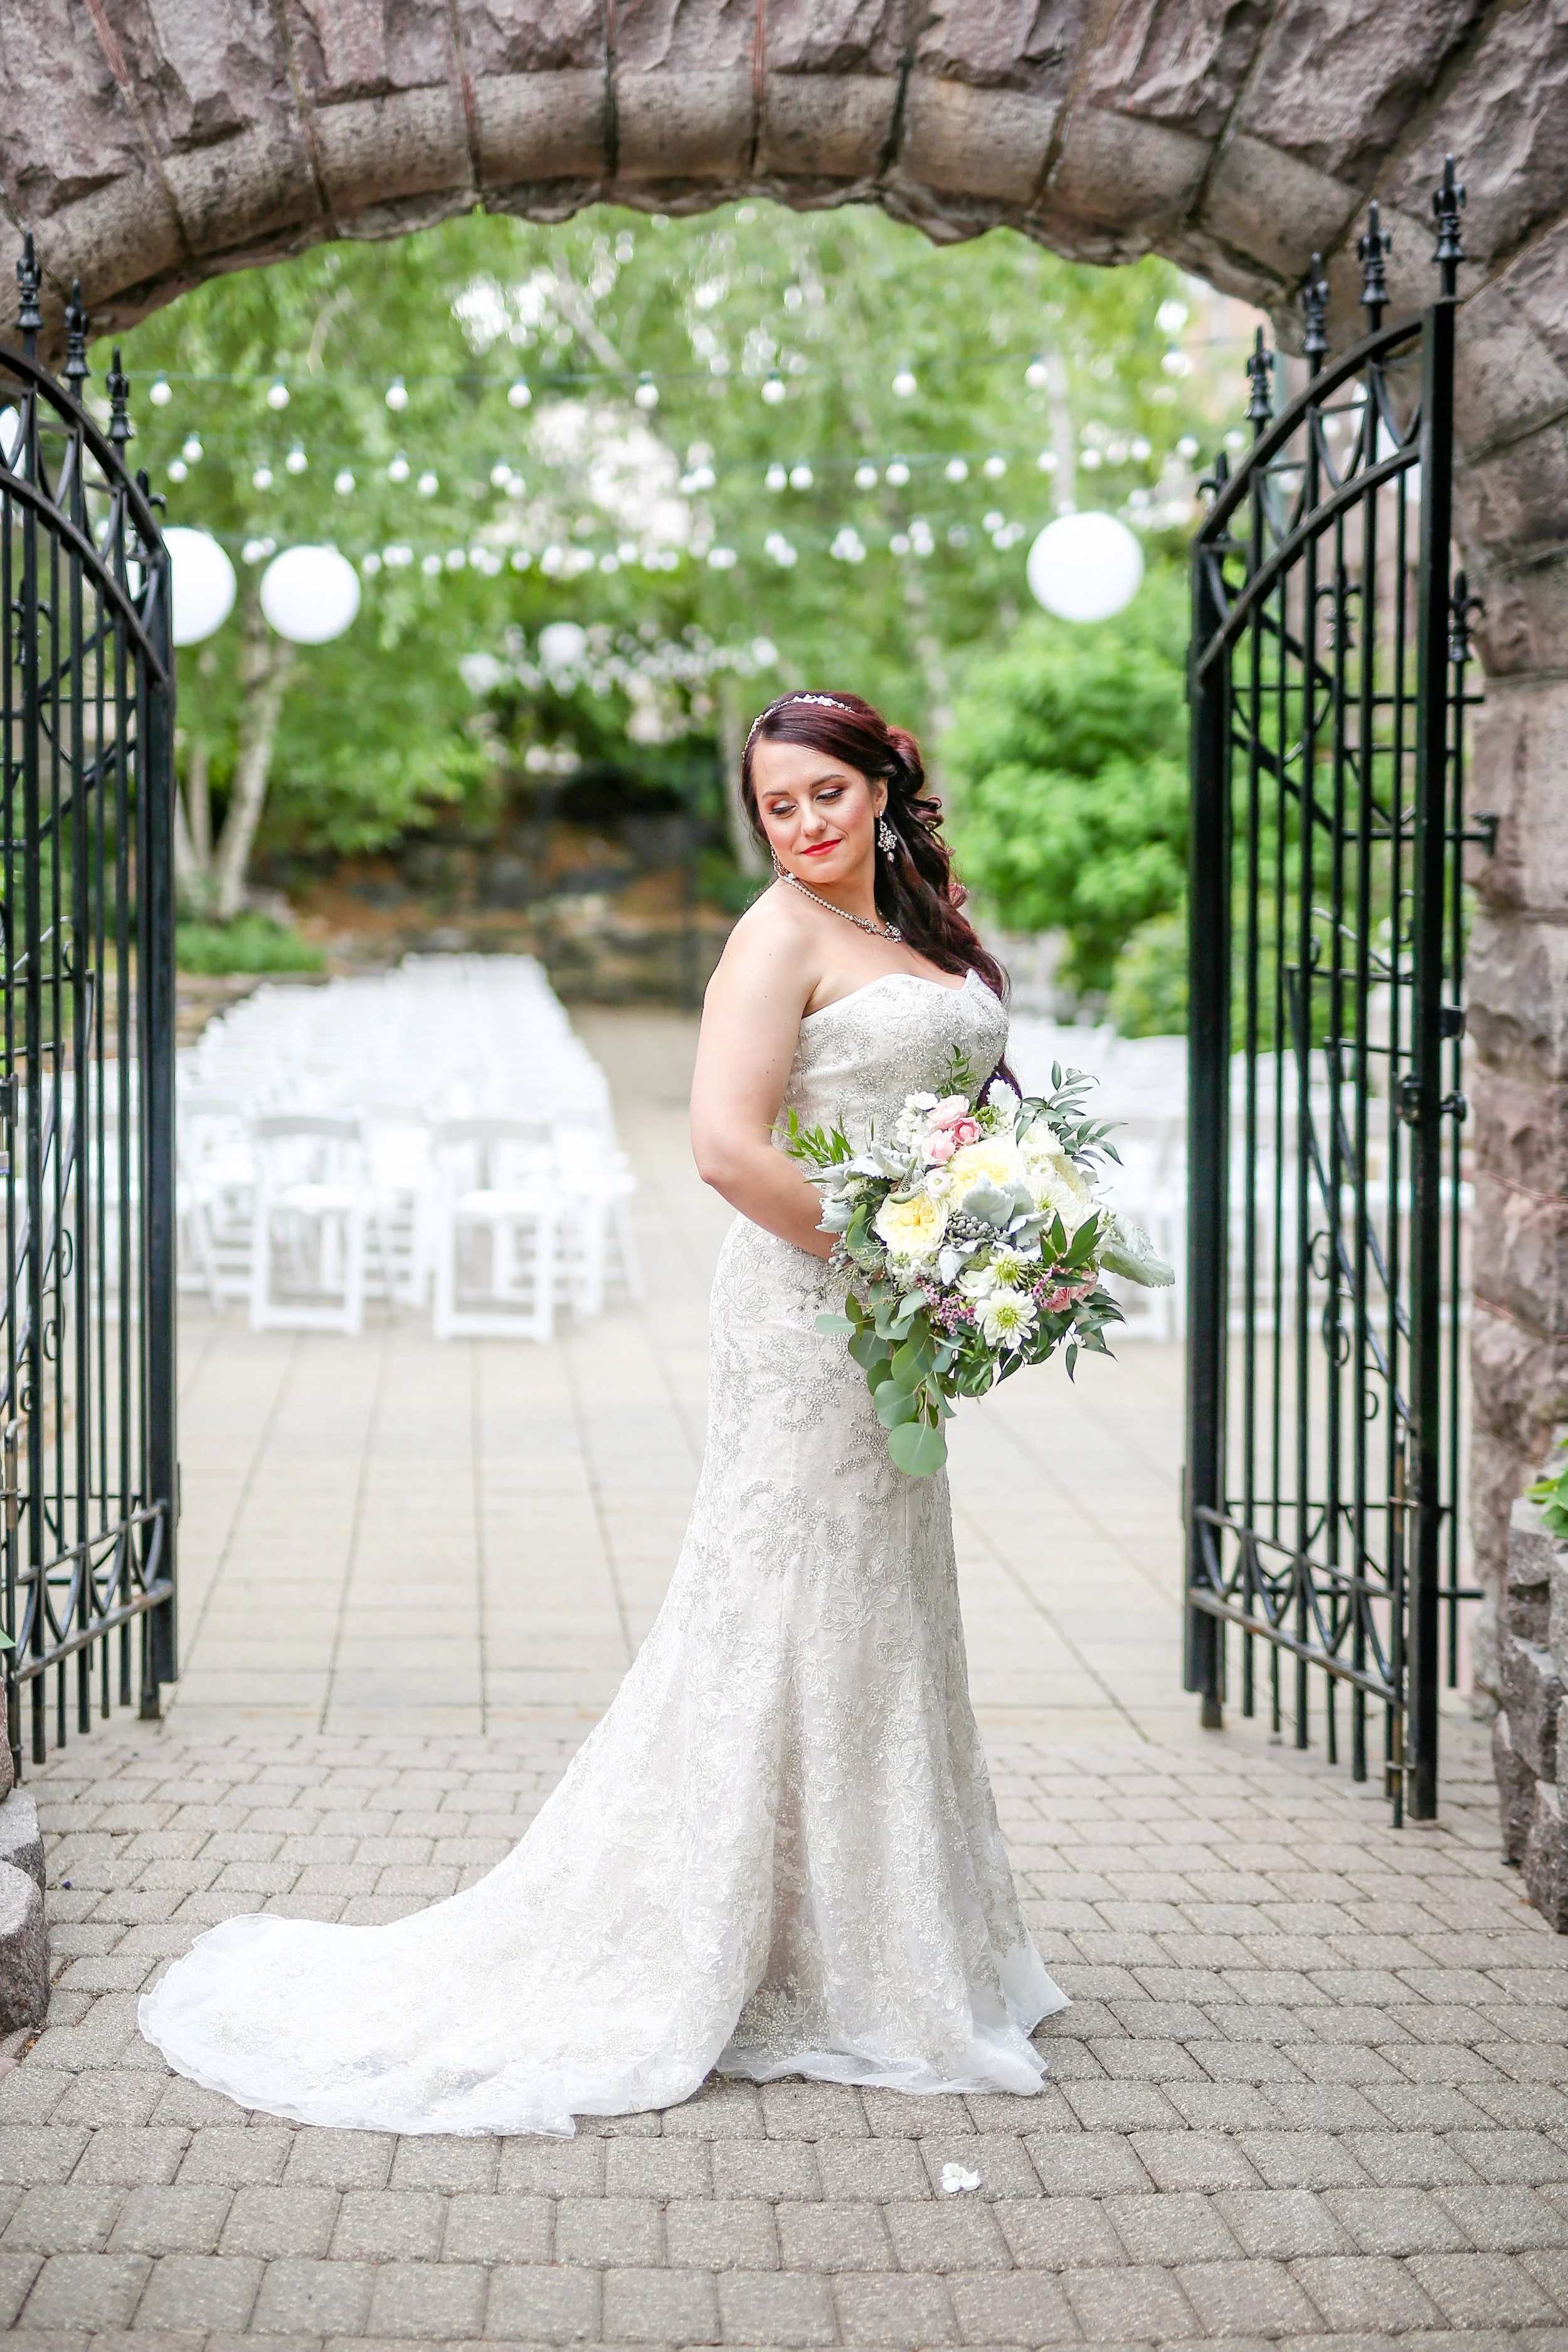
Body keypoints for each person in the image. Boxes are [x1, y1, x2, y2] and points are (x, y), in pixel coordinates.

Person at [139, 689, 1067, 2135]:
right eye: (778, 804)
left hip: (893, 1320)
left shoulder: (920, 926)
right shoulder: (771, 937)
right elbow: (719, 1146)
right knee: (782, 1600)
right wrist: (904, 1254)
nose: (807, 822)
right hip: (813, 1312)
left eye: (828, 792)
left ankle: (877, 1933)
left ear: (882, 788)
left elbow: (960, 1112)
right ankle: (729, 1940)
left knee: (883, 1598)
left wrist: (998, 1232)